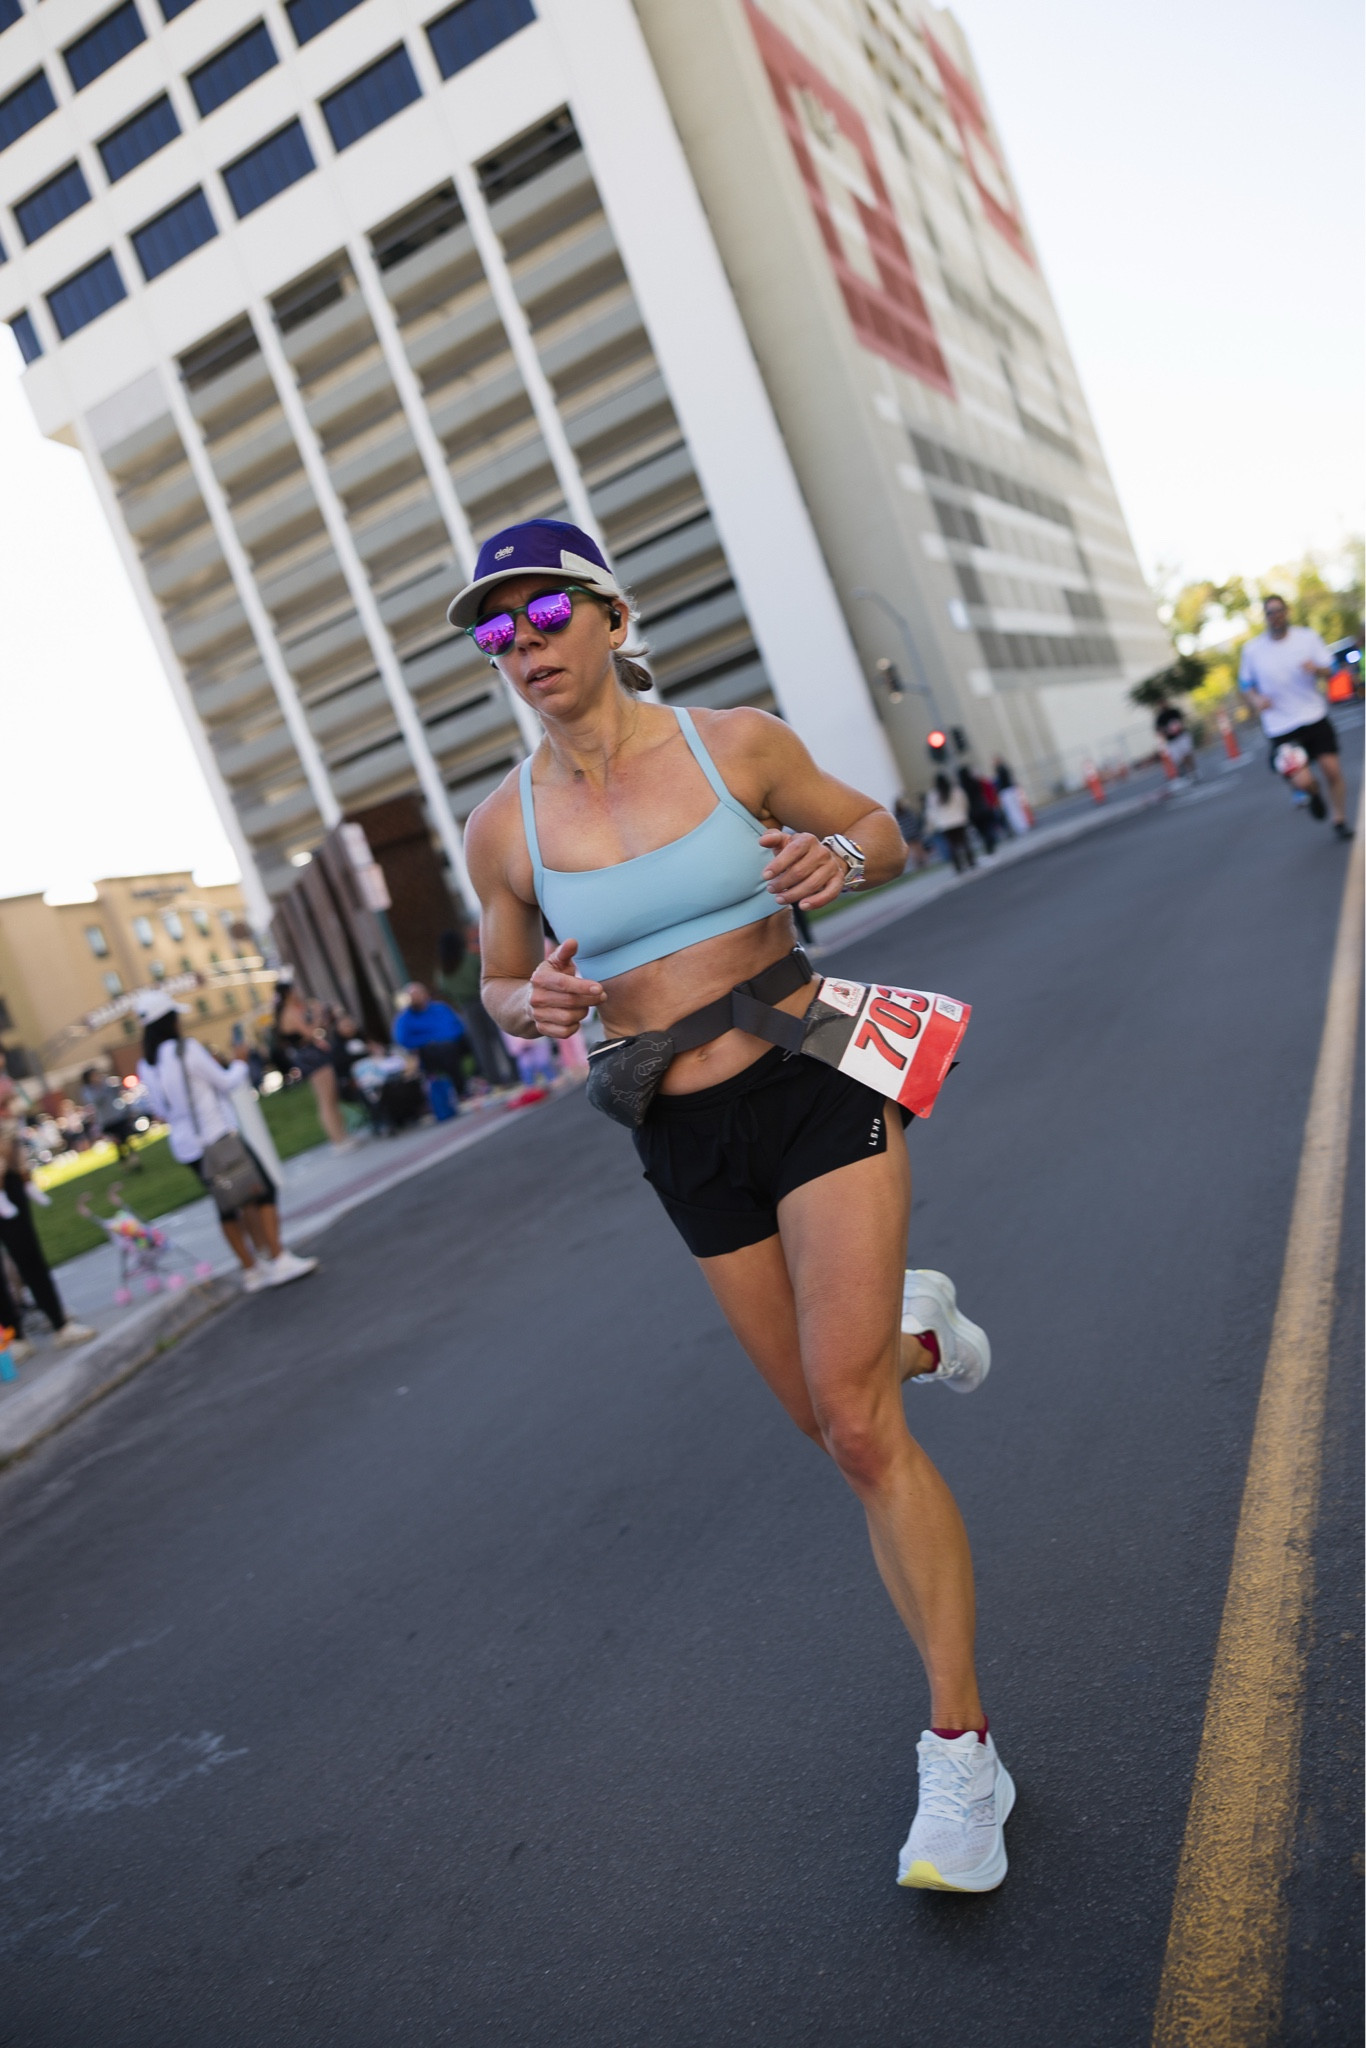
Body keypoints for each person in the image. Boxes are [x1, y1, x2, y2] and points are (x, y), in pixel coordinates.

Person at [460, 517, 1013, 1894]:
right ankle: (910, 1333)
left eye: (541, 616)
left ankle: (962, 1756)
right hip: (670, 1122)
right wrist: (528, 1006)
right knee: (832, 1428)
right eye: (491, 628)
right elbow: (496, 984)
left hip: (809, 1067)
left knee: (858, 1428)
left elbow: (874, 825)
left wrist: (844, 864)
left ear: (607, 614)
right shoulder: (501, 827)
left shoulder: (731, 745)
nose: (519, 647)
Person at [137, 992, 316, 1291]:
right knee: (263, 1192)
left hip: (188, 1147)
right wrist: (240, 1062)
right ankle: (278, 1257)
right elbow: (225, 1082)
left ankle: (251, 1268)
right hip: (216, 1135)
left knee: (227, 1203)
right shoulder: (186, 1050)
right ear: (170, 1021)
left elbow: (158, 1109)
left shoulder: (148, 1065)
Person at [1239, 594, 1353, 839]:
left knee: (1332, 771)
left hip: (1314, 716)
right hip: (1281, 727)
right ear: (1265, 617)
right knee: (1303, 781)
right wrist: (1257, 700)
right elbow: (1245, 684)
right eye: (1270, 612)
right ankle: (1313, 794)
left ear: (1287, 612)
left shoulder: (1307, 638)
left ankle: (1339, 820)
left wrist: (1317, 669)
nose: (1275, 616)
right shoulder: (1253, 650)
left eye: (1279, 610)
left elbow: (1331, 669)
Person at [0, 1074, 96, 1363]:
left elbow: (10, 1098)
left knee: (26, 1253)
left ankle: (57, 1323)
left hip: (11, 1177)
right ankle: (14, 1336)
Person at [272, 979, 353, 1148]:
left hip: (313, 1053)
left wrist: (323, 1016)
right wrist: (317, 1014)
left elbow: (316, 1029)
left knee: (332, 1097)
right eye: (295, 989)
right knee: (326, 1099)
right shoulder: (289, 1012)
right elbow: (309, 1033)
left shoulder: (294, 1009)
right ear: (288, 992)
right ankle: (338, 1140)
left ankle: (342, 1135)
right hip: (310, 1056)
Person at [436, 929, 517, 1086]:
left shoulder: (443, 970)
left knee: (481, 1045)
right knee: (500, 1037)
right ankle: (515, 1073)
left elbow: (444, 989)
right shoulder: (469, 959)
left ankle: (495, 1080)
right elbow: (485, 975)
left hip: (466, 1007)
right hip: (484, 1000)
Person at [392, 982, 470, 1105]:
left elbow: (457, 1027)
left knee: (467, 1040)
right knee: (445, 1049)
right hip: (427, 1051)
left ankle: (481, 1077)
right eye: (412, 995)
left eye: (418, 994)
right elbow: (403, 1040)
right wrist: (430, 1040)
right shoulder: (404, 1018)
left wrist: (442, 1038)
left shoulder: (440, 1008)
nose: (415, 998)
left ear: (426, 994)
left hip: (453, 1043)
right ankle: (460, 1090)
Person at [82, 1063, 141, 1165]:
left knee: (126, 1138)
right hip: (106, 1121)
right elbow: (96, 1101)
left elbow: (118, 1091)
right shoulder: (88, 1090)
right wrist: (101, 1088)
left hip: (118, 1116)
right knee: (118, 1143)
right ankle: (125, 1162)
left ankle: (134, 1159)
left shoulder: (106, 1082)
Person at [924, 772, 975, 873]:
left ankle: (958, 866)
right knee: (964, 842)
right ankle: (971, 862)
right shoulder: (955, 790)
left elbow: (931, 812)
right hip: (959, 819)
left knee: (952, 846)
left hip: (945, 824)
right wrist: (963, 813)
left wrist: (931, 825)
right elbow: (964, 802)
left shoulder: (933, 795)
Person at [1153, 700, 1197, 782]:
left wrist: (1178, 726)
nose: (1163, 704)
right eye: (1160, 703)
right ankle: (1184, 773)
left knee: (1187, 753)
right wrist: (1165, 732)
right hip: (1172, 740)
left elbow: (1182, 720)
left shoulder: (1174, 712)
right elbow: (1158, 729)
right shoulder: (1160, 718)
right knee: (1178, 759)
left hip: (1182, 736)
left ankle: (1193, 772)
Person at [992, 758, 1030, 837]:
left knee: (1012, 810)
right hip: (1010, 789)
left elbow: (1000, 783)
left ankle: (1020, 827)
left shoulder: (1000, 770)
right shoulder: (1005, 768)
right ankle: (1023, 825)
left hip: (1006, 792)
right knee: (1017, 808)